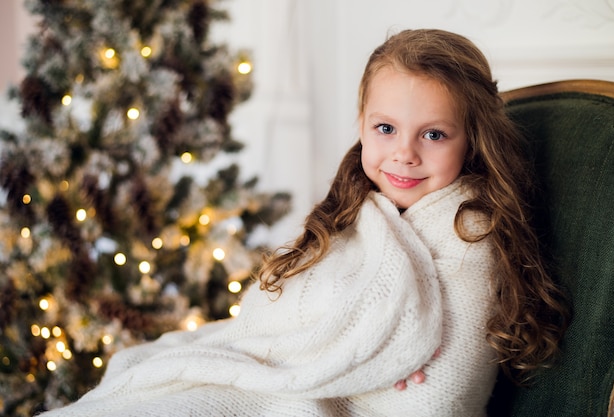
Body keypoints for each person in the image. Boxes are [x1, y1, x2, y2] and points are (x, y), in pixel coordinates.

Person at [37, 29, 568, 417]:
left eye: (433, 135)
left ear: (471, 139)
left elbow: (445, 388)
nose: (403, 154)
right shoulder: (359, 208)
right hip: (284, 374)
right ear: (361, 124)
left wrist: (391, 358)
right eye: (386, 128)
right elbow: (278, 312)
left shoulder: (468, 232)